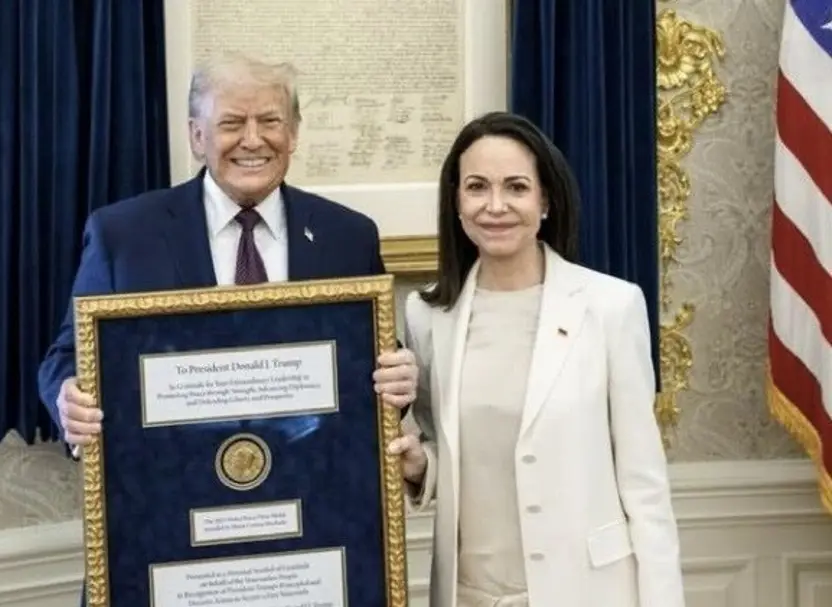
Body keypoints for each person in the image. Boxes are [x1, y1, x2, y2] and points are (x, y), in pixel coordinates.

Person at [38, 53, 418, 450]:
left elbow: (373, 360)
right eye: (232, 123)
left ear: (293, 133)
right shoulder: (122, 236)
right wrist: (68, 397)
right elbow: (67, 356)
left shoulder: (348, 236)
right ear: (197, 136)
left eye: (270, 122)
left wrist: (400, 376)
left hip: (312, 481)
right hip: (169, 483)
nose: (253, 140)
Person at [387, 111, 684, 607]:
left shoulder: (611, 306)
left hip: (588, 592)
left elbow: (644, 484)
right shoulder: (427, 315)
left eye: (516, 187)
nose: (495, 206)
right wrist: (420, 465)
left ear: (545, 200)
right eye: (477, 187)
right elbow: (449, 451)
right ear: (456, 202)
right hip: (468, 594)